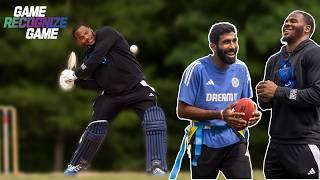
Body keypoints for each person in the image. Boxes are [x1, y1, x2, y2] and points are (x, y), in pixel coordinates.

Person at [59, 25, 168, 176]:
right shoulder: (88, 58)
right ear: (78, 42)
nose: (86, 37)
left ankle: (157, 165)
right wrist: (74, 82)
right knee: (96, 126)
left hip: (136, 88)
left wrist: (75, 74)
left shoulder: (107, 34)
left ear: (91, 30)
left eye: (87, 33)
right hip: (111, 95)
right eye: (81, 37)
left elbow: (96, 58)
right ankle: (75, 165)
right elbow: (98, 83)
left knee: (154, 120)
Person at [175, 22, 261, 179]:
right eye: (226, 42)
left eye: (235, 41)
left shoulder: (241, 69)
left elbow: (247, 104)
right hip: (204, 142)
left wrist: (253, 115)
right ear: (213, 46)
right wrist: (221, 114)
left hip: (234, 139)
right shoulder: (196, 69)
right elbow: (182, 110)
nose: (233, 46)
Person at [256, 10, 320, 179]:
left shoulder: (314, 54)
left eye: (293, 21)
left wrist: (277, 91)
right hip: (276, 143)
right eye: (286, 21)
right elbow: (266, 104)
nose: (287, 24)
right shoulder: (273, 60)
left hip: (304, 142)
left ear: (307, 29)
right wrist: (263, 96)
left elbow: (317, 95)